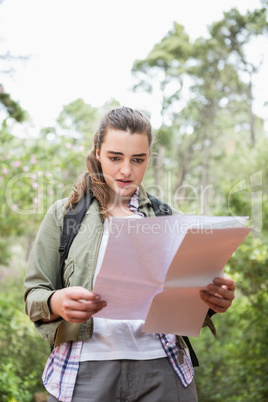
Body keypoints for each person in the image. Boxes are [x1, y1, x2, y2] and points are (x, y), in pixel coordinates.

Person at [24, 106, 236, 402]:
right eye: (115, 157)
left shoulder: (169, 218)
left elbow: (188, 301)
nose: (126, 170)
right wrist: (55, 301)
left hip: (163, 371)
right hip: (82, 373)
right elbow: (34, 295)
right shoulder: (64, 215)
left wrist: (213, 301)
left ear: (149, 158)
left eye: (138, 160)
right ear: (97, 151)